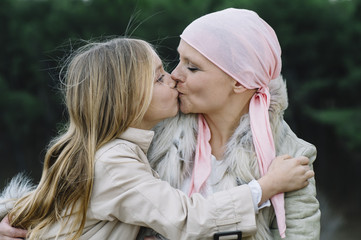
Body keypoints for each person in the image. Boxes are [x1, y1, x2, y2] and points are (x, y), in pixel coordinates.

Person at [0, 37, 314, 240]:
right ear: (130, 99)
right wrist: (266, 186)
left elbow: (44, 200)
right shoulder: (115, 163)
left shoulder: (101, 151)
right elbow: (189, 220)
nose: (174, 78)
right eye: (160, 76)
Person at [147, 8, 321, 240]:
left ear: (239, 82)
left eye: (192, 67)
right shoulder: (152, 134)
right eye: (179, 60)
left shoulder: (293, 155)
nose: (174, 74)